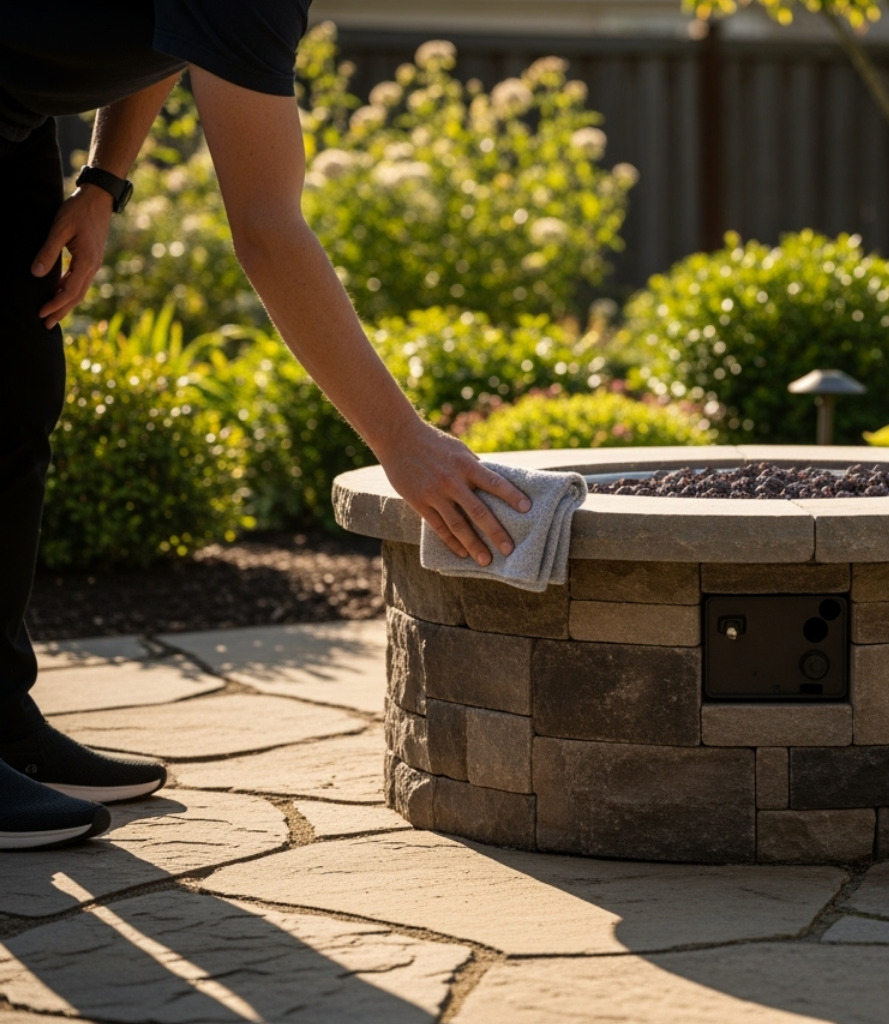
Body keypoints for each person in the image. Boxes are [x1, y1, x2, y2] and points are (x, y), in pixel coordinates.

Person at [1, 2, 530, 850]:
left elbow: (177, 33)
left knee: (16, 402)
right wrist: (402, 440)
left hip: (11, 121)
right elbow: (267, 229)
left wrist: (103, 183)